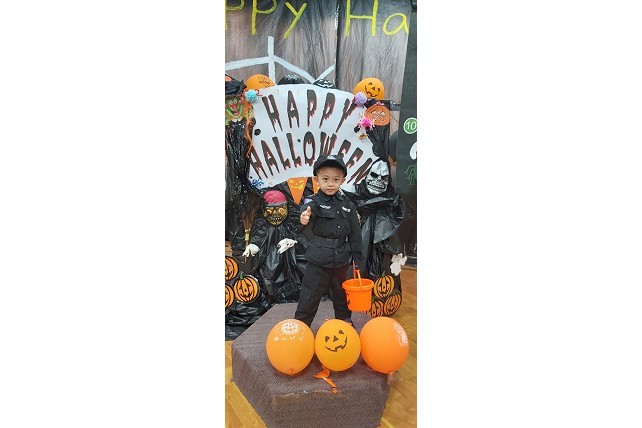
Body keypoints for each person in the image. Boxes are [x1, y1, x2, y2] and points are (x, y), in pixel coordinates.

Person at [294, 155, 364, 327]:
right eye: (325, 179)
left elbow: (355, 235)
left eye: (336, 179)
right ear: (317, 180)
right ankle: (301, 326)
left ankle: (344, 321)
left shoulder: (347, 204)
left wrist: (358, 261)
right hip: (318, 260)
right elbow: (307, 210)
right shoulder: (313, 201)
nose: (330, 184)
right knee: (309, 295)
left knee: (341, 294)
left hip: (341, 260)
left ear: (342, 180)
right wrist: (304, 217)